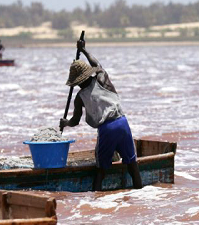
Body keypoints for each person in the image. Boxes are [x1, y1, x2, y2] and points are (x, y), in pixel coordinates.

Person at [60, 40, 142, 191]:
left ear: (76, 82)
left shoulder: (79, 97)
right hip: (122, 123)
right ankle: (139, 191)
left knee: (101, 169)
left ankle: (96, 196)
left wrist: (65, 123)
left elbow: (75, 121)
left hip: (107, 129)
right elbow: (97, 64)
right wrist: (84, 50)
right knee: (132, 164)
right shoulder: (101, 78)